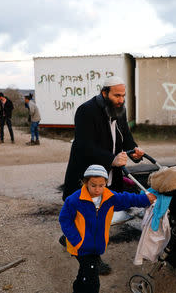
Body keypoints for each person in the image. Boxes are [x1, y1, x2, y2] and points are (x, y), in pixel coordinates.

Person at [61, 76, 144, 274]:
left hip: (108, 175)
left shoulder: (119, 111)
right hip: (86, 175)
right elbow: (84, 146)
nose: (121, 99)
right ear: (104, 92)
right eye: (117, 95)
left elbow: (126, 139)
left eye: (123, 95)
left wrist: (134, 152)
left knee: (99, 216)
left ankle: (69, 238)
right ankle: (91, 262)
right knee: (91, 218)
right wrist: (111, 159)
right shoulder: (86, 111)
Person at [59, 165, 156, 293]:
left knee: (85, 271)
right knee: (92, 280)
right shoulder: (74, 200)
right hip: (80, 246)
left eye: (101, 185)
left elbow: (126, 199)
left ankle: (78, 288)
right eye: (93, 185)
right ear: (85, 182)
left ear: (106, 183)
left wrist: (145, 199)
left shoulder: (108, 197)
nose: (98, 189)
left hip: (97, 245)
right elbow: (65, 220)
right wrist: (77, 240)